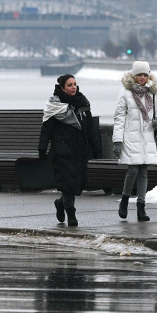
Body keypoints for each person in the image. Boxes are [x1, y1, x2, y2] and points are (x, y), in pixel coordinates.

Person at [39, 74, 101, 226]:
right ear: (62, 88)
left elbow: (90, 129)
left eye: (75, 84)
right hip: (62, 151)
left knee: (77, 184)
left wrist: (97, 149)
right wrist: (42, 148)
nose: (73, 87)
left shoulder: (83, 104)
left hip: (81, 150)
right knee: (68, 183)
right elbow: (46, 129)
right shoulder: (55, 106)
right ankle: (71, 214)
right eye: (69, 85)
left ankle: (60, 203)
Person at [112, 61, 157, 222]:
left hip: (147, 136)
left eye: (145, 75)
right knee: (133, 169)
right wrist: (117, 140)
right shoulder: (124, 93)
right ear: (133, 76)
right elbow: (119, 118)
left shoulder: (153, 92)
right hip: (130, 136)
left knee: (143, 172)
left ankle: (141, 207)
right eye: (139, 75)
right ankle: (125, 199)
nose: (142, 78)